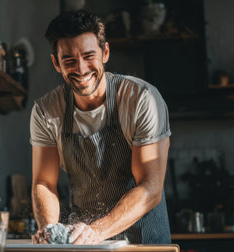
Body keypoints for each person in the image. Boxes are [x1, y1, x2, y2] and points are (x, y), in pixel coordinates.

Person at [30, 10, 171, 245]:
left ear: (105, 53)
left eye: (88, 56)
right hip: (85, 245)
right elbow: (44, 183)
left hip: (143, 244)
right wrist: (50, 231)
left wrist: (95, 232)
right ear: (56, 63)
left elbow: (150, 185)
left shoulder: (142, 100)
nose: (81, 69)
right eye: (69, 61)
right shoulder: (46, 111)